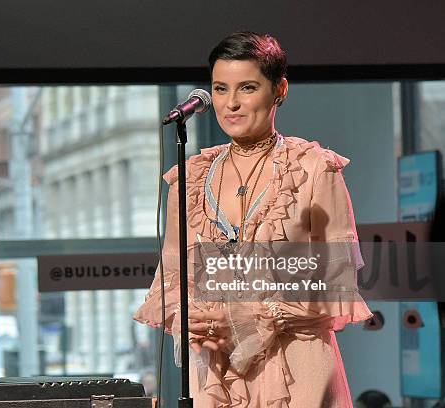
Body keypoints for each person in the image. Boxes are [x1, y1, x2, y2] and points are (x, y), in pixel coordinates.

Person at [134, 31, 372, 407]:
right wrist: (186, 315)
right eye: (220, 89)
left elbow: (337, 282)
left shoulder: (314, 169)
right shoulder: (190, 177)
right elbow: (171, 275)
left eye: (247, 87)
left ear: (280, 90)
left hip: (296, 364)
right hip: (218, 368)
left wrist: (256, 314)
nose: (231, 104)